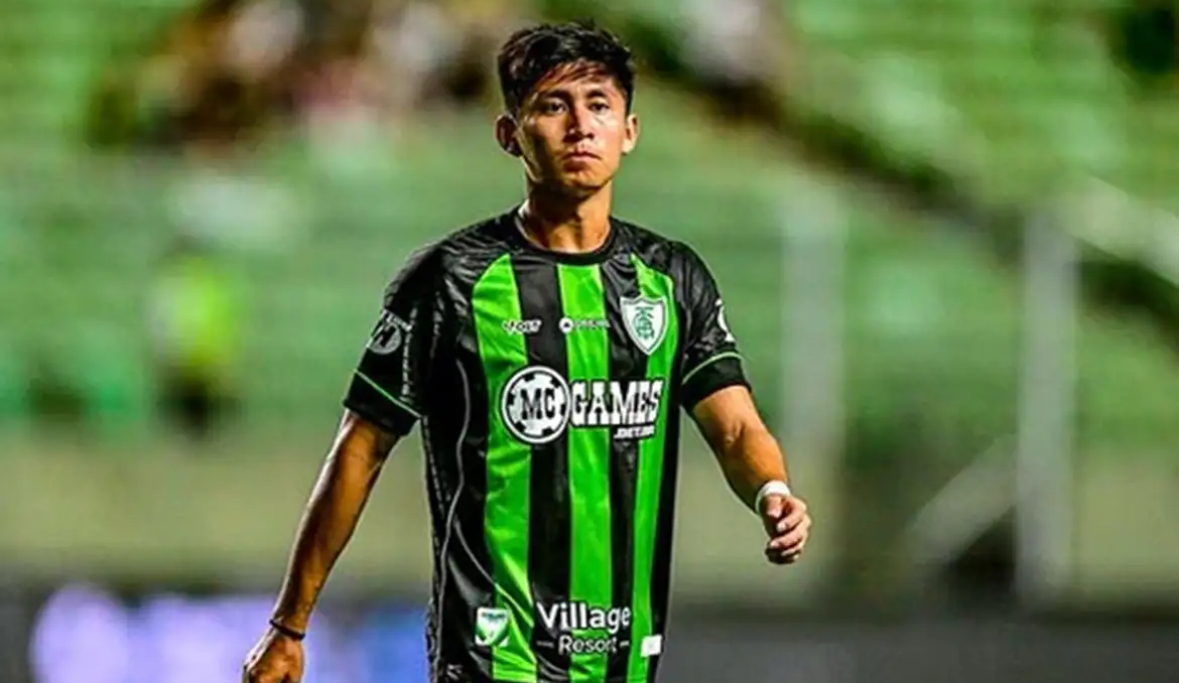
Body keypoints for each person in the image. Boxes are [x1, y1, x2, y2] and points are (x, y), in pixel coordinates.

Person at [242, 20, 812, 683]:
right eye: (553, 106)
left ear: (629, 130)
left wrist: (771, 489)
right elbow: (360, 447)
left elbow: (735, 425)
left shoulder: (670, 278)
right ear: (510, 134)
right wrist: (290, 624)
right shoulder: (451, 280)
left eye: (598, 105)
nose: (580, 126)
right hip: (491, 653)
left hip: (623, 657)